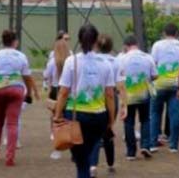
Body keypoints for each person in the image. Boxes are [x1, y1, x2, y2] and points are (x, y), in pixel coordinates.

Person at [55, 23, 117, 178]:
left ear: (79, 40)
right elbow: (109, 95)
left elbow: (63, 92)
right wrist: (110, 119)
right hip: (98, 117)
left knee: (81, 159)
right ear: (96, 40)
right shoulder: (106, 64)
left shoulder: (72, 61)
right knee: (87, 153)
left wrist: (57, 115)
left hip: (76, 116)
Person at [0, 29, 38, 166]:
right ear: (15, 42)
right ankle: (10, 157)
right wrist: (28, 94)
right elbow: (27, 77)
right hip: (16, 89)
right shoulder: (21, 56)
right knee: (12, 124)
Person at [117, 34, 157, 160]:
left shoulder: (121, 59)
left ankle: (131, 152)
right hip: (144, 93)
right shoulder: (147, 57)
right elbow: (155, 75)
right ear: (137, 45)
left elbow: (118, 78)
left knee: (128, 122)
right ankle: (146, 145)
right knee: (145, 120)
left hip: (127, 95)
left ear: (125, 46)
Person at [149, 22, 179, 153]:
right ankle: (173, 145)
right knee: (174, 114)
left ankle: (153, 143)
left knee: (155, 114)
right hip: (175, 84)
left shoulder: (157, 45)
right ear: (176, 34)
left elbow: (153, 63)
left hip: (159, 84)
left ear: (164, 33)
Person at [92, 34, 118, 175]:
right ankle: (111, 163)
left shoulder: (94, 60)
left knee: (95, 134)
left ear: (96, 45)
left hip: (97, 96)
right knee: (108, 131)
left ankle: (93, 165)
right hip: (112, 96)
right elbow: (119, 84)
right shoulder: (115, 61)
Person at [45, 37, 72, 160]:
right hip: (69, 91)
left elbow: (47, 76)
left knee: (56, 119)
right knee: (70, 119)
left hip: (56, 91)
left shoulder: (52, 62)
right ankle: (73, 147)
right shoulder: (71, 61)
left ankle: (57, 149)